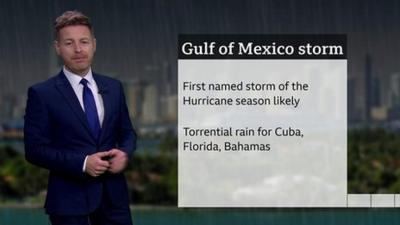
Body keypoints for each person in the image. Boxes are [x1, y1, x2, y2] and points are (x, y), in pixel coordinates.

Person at [24, 10, 135, 225]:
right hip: (68, 203)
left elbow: (127, 132)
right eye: (69, 43)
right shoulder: (42, 94)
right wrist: (83, 163)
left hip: (114, 201)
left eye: (84, 41)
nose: (78, 49)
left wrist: (125, 153)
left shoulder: (114, 87)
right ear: (58, 48)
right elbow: (34, 150)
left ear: (94, 44)